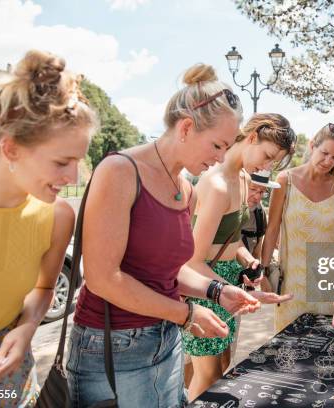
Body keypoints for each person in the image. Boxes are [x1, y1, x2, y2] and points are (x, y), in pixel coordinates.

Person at [67, 64, 262, 408]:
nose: (220, 157)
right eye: (217, 145)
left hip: (167, 341)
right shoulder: (120, 171)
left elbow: (171, 268)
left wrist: (217, 291)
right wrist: (186, 314)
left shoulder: (187, 189)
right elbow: (102, 278)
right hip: (113, 348)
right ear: (186, 127)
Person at [0, 50, 97, 406]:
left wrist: (28, 327)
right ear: (11, 148)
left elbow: (45, 287)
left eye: (78, 161)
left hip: (10, 380)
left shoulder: (58, 216)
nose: (73, 177)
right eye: (62, 161)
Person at [184, 113, 296, 401]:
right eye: (267, 156)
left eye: (274, 162)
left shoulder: (243, 178)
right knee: (207, 377)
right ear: (252, 137)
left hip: (227, 279)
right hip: (206, 288)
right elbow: (193, 260)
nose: (267, 166)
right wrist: (229, 290)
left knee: (222, 369)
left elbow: (231, 240)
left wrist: (248, 262)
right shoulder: (218, 183)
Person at [261, 123, 334, 332]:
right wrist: (264, 270)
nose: (328, 161)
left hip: (330, 282)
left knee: (326, 349)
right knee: (289, 350)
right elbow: (272, 229)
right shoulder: (286, 180)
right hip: (293, 283)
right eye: (325, 153)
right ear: (312, 146)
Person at [241, 170, 279, 258]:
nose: (257, 197)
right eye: (253, 189)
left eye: (262, 192)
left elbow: (257, 252)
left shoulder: (259, 213)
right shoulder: (222, 209)